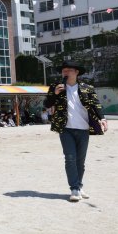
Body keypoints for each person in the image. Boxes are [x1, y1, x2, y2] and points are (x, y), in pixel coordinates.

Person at [44, 61, 108, 202]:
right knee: (70, 158)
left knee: (80, 161)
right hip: (65, 128)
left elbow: (96, 104)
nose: (65, 72)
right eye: (63, 70)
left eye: (69, 70)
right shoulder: (56, 87)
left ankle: (79, 186)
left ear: (76, 72)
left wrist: (102, 118)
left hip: (83, 128)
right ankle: (74, 188)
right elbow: (47, 104)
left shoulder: (87, 88)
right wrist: (54, 94)